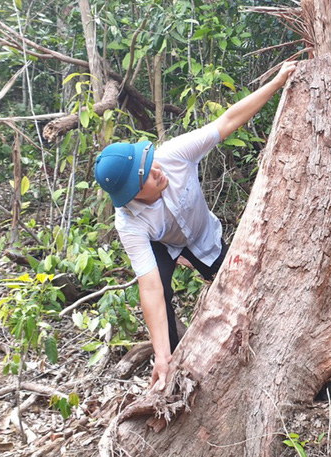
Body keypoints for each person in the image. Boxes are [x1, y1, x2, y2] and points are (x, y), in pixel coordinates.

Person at [94, 62, 296, 391]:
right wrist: (160, 354)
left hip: (203, 236)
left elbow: (227, 120)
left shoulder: (173, 155)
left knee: (240, 283)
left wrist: (276, 82)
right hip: (163, 242)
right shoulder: (129, 222)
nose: (157, 171)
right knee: (161, 287)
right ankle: (173, 366)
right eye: (146, 177)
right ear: (132, 194)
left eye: (149, 162)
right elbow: (150, 289)